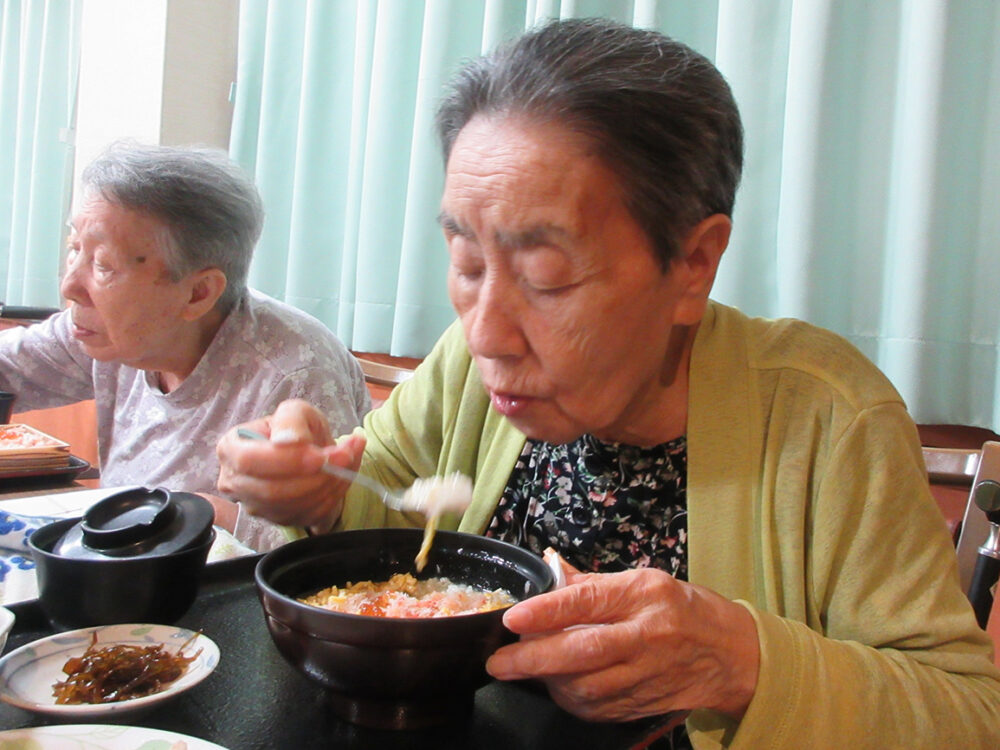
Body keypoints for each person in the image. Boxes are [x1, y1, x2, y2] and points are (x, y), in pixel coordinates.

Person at [215, 18, 1000, 748]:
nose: (485, 331)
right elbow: (374, 505)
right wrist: (311, 492)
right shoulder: (466, 363)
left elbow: (969, 712)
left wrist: (740, 661)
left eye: (547, 277)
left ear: (693, 263)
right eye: (466, 264)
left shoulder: (826, 417)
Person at [0, 141, 370, 552]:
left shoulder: (294, 372)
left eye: (103, 265)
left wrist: (204, 512)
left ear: (198, 293)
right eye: (75, 251)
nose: (70, 286)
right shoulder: (105, 332)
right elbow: (8, 367)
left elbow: (339, 546)